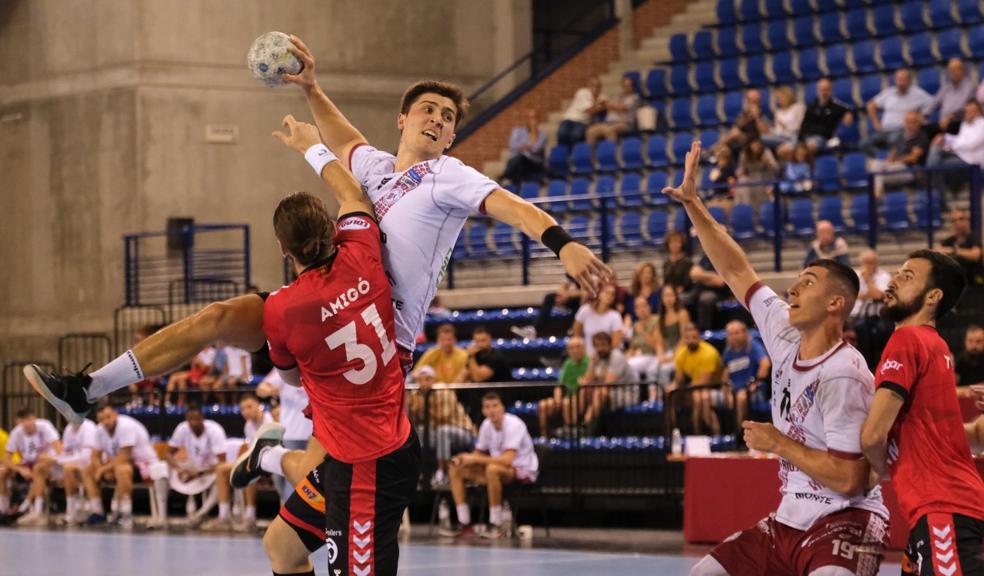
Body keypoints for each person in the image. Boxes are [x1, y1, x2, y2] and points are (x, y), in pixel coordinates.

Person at [23, 36, 610, 428]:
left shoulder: (448, 175)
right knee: (216, 318)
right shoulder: (378, 165)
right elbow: (348, 137)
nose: (438, 119)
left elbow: (514, 207)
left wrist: (565, 242)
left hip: (382, 338)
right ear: (403, 120)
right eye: (428, 109)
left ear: (453, 137)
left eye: (448, 116)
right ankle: (88, 390)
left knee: (324, 473)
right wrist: (310, 88)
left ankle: (282, 444)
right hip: (330, 304)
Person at [667, 141, 889, 576]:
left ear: (835, 305)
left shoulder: (844, 371)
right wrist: (694, 205)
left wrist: (778, 443)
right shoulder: (784, 331)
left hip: (847, 518)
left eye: (807, 283)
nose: (792, 290)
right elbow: (735, 270)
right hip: (788, 518)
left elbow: (851, 480)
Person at [860, 250, 984, 576]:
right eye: (898, 272)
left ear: (933, 296)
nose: (894, 280)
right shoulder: (937, 346)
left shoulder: (907, 339)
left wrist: (873, 472)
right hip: (938, 510)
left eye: (908, 276)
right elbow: (957, 434)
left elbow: (873, 435)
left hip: (942, 509)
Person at [442, 392, 538, 540]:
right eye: (487, 407)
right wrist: (465, 459)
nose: (492, 410)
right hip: (496, 469)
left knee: (492, 470)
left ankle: (496, 524)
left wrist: (475, 458)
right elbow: (478, 453)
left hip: (522, 471)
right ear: (483, 411)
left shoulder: (514, 425)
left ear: (502, 408)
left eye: (495, 406)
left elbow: (507, 460)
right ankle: (465, 523)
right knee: (457, 469)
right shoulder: (486, 425)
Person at [83, 403, 168, 529]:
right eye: (102, 419)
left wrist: (102, 469)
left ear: (115, 415)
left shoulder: (126, 426)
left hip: (144, 466)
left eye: (108, 417)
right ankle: (97, 512)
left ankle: (125, 513)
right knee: (88, 470)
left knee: (122, 469)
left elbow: (125, 456)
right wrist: (99, 468)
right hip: (116, 466)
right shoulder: (100, 430)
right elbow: (95, 455)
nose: (105, 421)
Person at [208, 394, 272, 531]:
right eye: (243, 408)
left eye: (249, 406)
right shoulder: (248, 425)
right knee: (221, 469)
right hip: (256, 461)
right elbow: (251, 449)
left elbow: (269, 449)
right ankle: (224, 516)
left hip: (271, 461)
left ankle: (250, 517)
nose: (246, 411)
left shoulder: (269, 421)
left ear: (258, 405)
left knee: (250, 468)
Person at [407, 365, 476, 488]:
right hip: (437, 433)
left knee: (442, 431)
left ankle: (442, 472)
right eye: (421, 380)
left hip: (462, 431)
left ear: (434, 380)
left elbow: (443, 417)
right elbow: (412, 418)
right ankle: (420, 472)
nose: (424, 383)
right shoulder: (417, 394)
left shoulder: (443, 390)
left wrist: (424, 400)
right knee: (417, 433)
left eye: (427, 379)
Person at [165, 404, 228, 529]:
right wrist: (179, 469)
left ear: (202, 418)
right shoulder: (182, 428)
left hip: (211, 469)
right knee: (160, 469)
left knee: (221, 477)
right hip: (192, 466)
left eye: (196, 419)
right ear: (186, 420)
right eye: (190, 420)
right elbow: (167, 454)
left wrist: (198, 473)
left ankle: (200, 514)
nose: (193, 423)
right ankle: (161, 517)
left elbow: (222, 462)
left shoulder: (215, 430)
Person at [255, 368, 312, 500]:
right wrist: (272, 390)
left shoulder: (316, 365)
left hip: (315, 436)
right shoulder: (285, 368)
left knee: (304, 483)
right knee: (288, 480)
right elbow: (260, 389)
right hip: (291, 434)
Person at [0, 407, 61, 524]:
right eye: (23, 422)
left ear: (34, 419)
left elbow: (60, 451)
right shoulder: (16, 432)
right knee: (2, 471)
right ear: (18, 423)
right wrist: (20, 469)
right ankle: (3, 510)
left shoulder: (45, 426)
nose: (27, 424)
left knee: (39, 468)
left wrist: (49, 458)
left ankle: (34, 510)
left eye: (29, 420)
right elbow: (6, 459)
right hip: (27, 464)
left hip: (49, 465)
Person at [666, 323, 725, 435]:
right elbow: (679, 380)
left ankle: (703, 431)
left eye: (694, 337)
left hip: (716, 387)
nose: (691, 340)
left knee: (700, 398)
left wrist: (684, 389)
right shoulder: (681, 354)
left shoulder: (709, 353)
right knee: (670, 394)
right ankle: (672, 432)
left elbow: (704, 382)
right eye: (687, 338)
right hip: (694, 387)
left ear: (699, 338)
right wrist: (672, 387)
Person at [580, 332, 640, 432]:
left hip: (627, 393)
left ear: (610, 345)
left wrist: (592, 381)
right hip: (608, 393)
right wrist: (592, 363)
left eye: (603, 345)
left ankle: (585, 426)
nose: (600, 348)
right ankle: (574, 425)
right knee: (583, 391)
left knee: (599, 392)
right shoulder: (597, 357)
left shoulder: (616, 356)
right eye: (597, 346)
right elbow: (587, 381)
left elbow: (608, 383)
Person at [864, 69, 934, 152]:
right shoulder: (889, 92)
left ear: (909, 81)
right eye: (899, 80)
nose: (901, 83)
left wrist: (921, 116)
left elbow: (934, 103)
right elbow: (870, 105)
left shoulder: (917, 93)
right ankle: (881, 159)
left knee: (893, 140)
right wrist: (876, 123)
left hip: (902, 132)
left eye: (904, 80)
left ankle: (888, 161)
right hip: (883, 131)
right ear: (895, 80)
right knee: (864, 143)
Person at [867, 110, 929, 197]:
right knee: (876, 164)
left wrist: (895, 160)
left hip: (910, 170)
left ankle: (876, 198)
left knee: (877, 176)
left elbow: (913, 158)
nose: (910, 125)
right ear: (904, 123)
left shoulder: (922, 137)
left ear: (919, 123)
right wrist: (888, 161)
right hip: (895, 165)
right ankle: (878, 195)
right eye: (908, 122)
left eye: (913, 122)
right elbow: (893, 153)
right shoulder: (901, 135)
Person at [722, 320, 770, 431]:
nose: (734, 337)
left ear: (744, 333)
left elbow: (765, 364)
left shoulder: (753, 346)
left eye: (736, 333)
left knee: (741, 397)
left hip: (755, 389)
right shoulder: (728, 352)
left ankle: (739, 432)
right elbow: (725, 375)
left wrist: (755, 383)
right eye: (730, 334)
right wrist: (726, 392)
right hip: (735, 389)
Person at [926, 100, 984, 191]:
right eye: (967, 111)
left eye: (972, 111)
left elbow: (970, 144)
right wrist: (944, 141)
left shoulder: (982, 124)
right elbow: (960, 142)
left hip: (972, 163)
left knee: (939, 164)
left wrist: (947, 139)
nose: (969, 114)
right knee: (936, 147)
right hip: (961, 155)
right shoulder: (965, 124)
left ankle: (931, 184)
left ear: (979, 112)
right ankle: (931, 180)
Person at [538, 337, 589, 437]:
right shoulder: (567, 363)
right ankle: (544, 435)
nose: (575, 350)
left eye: (577, 347)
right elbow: (559, 385)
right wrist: (557, 399)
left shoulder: (589, 362)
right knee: (543, 405)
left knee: (567, 402)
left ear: (584, 348)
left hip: (582, 398)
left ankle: (570, 430)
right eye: (571, 348)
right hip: (565, 397)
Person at [56, 417, 100, 525]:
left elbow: (86, 456)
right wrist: (60, 460)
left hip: (92, 462)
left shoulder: (89, 427)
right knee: (67, 469)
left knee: (69, 468)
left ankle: (96, 510)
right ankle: (72, 511)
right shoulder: (68, 429)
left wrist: (59, 460)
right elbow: (65, 453)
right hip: (75, 463)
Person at [797, 78, 854, 156]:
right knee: (785, 149)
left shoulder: (835, 106)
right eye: (822, 90)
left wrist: (849, 113)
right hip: (806, 137)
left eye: (826, 89)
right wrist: (799, 139)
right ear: (818, 90)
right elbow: (804, 125)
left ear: (831, 90)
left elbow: (851, 109)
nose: (824, 92)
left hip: (822, 138)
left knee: (808, 147)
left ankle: (807, 167)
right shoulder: (811, 107)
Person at [652, 284, 691, 394]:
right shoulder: (660, 318)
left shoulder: (682, 314)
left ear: (676, 297)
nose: (668, 299)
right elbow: (658, 341)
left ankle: (665, 397)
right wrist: (660, 355)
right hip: (667, 352)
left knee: (664, 370)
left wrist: (672, 356)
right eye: (665, 296)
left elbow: (684, 338)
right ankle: (653, 398)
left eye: (671, 295)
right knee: (652, 370)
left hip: (681, 351)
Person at [585, 75, 640, 145]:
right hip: (609, 123)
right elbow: (609, 106)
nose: (626, 88)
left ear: (632, 87)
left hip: (625, 123)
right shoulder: (618, 96)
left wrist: (610, 105)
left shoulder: (635, 98)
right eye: (624, 86)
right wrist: (611, 106)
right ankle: (592, 155)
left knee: (609, 130)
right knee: (590, 131)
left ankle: (611, 154)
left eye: (629, 86)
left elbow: (622, 108)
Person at [573, 284, 624, 357]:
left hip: (607, 357)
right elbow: (576, 333)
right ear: (599, 294)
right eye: (607, 292)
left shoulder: (615, 316)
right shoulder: (584, 310)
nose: (609, 296)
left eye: (612, 294)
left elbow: (615, 343)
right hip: (587, 356)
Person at [929, 58, 976, 136]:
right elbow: (935, 102)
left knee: (947, 128)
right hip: (944, 122)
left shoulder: (969, 87)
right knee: (923, 129)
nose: (954, 73)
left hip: (959, 122)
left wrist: (949, 117)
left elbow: (964, 108)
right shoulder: (946, 87)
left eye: (957, 69)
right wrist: (924, 115)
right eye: (952, 70)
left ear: (963, 70)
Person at [937, 209, 984, 286]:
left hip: (974, 285)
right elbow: (938, 252)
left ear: (967, 221)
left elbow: (976, 255)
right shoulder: (948, 242)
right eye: (954, 220)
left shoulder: (973, 238)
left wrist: (953, 251)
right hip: (956, 286)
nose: (958, 223)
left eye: (961, 219)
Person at [500, 109, 546, 186]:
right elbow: (512, 146)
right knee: (518, 161)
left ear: (538, 120)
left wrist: (534, 132)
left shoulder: (542, 135)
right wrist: (527, 146)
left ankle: (506, 175)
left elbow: (535, 149)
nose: (532, 121)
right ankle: (515, 183)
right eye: (530, 118)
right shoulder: (517, 131)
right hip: (518, 162)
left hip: (533, 163)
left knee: (520, 159)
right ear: (526, 119)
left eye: (534, 118)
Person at [735, 138, 779, 214]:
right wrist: (739, 171)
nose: (756, 147)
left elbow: (776, 168)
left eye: (758, 144)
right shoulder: (745, 154)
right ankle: (746, 210)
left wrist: (768, 163)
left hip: (764, 177)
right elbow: (740, 169)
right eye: (754, 144)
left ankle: (759, 214)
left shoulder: (766, 152)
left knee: (757, 184)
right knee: (742, 182)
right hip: (750, 178)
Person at [557, 78, 605, 147]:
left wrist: (601, 104)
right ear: (588, 86)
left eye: (598, 86)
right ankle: (563, 154)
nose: (595, 88)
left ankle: (574, 155)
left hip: (583, 123)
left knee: (575, 135)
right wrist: (599, 105)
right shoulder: (582, 92)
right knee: (562, 133)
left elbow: (607, 105)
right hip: (569, 118)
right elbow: (590, 110)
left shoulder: (601, 97)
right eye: (593, 85)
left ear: (600, 88)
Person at [626, 296, 661, 382]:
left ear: (649, 307)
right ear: (635, 311)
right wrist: (625, 357)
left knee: (630, 365)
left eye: (644, 306)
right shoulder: (636, 325)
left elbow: (657, 346)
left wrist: (643, 332)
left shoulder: (657, 320)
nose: (642, 310)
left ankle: (635, 393)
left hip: (655, 356)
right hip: (643, 356)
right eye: (638, 307)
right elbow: (633, 347)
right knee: (622, 365)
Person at [762, 86, 805, 154]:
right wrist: (769, 130)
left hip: (793, 136)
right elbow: (777, 130)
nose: (779, 100)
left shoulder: (798, 107)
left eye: (781, 97)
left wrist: (786, 126)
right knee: (761, 139)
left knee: (793, 141)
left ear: (788, 96)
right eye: (778, 98)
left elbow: (801, 126)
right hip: (780, 137)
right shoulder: (778, 112)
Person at [852, 248, 891, 319]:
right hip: (855, 314)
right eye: (866, 263)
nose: (869, 266)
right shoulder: (854, 275)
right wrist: (869, 295)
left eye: (872, 263)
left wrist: (868, 280)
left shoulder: (884, 276)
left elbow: (879, 296)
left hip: (876, 315)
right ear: (861, 263)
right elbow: (850, 296)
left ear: (877, 263)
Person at [956, 325, 984, 392]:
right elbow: (952, 386)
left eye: (978, 341)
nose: (974, 345)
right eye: (970, 341)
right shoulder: (960, 360)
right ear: (965, 341)